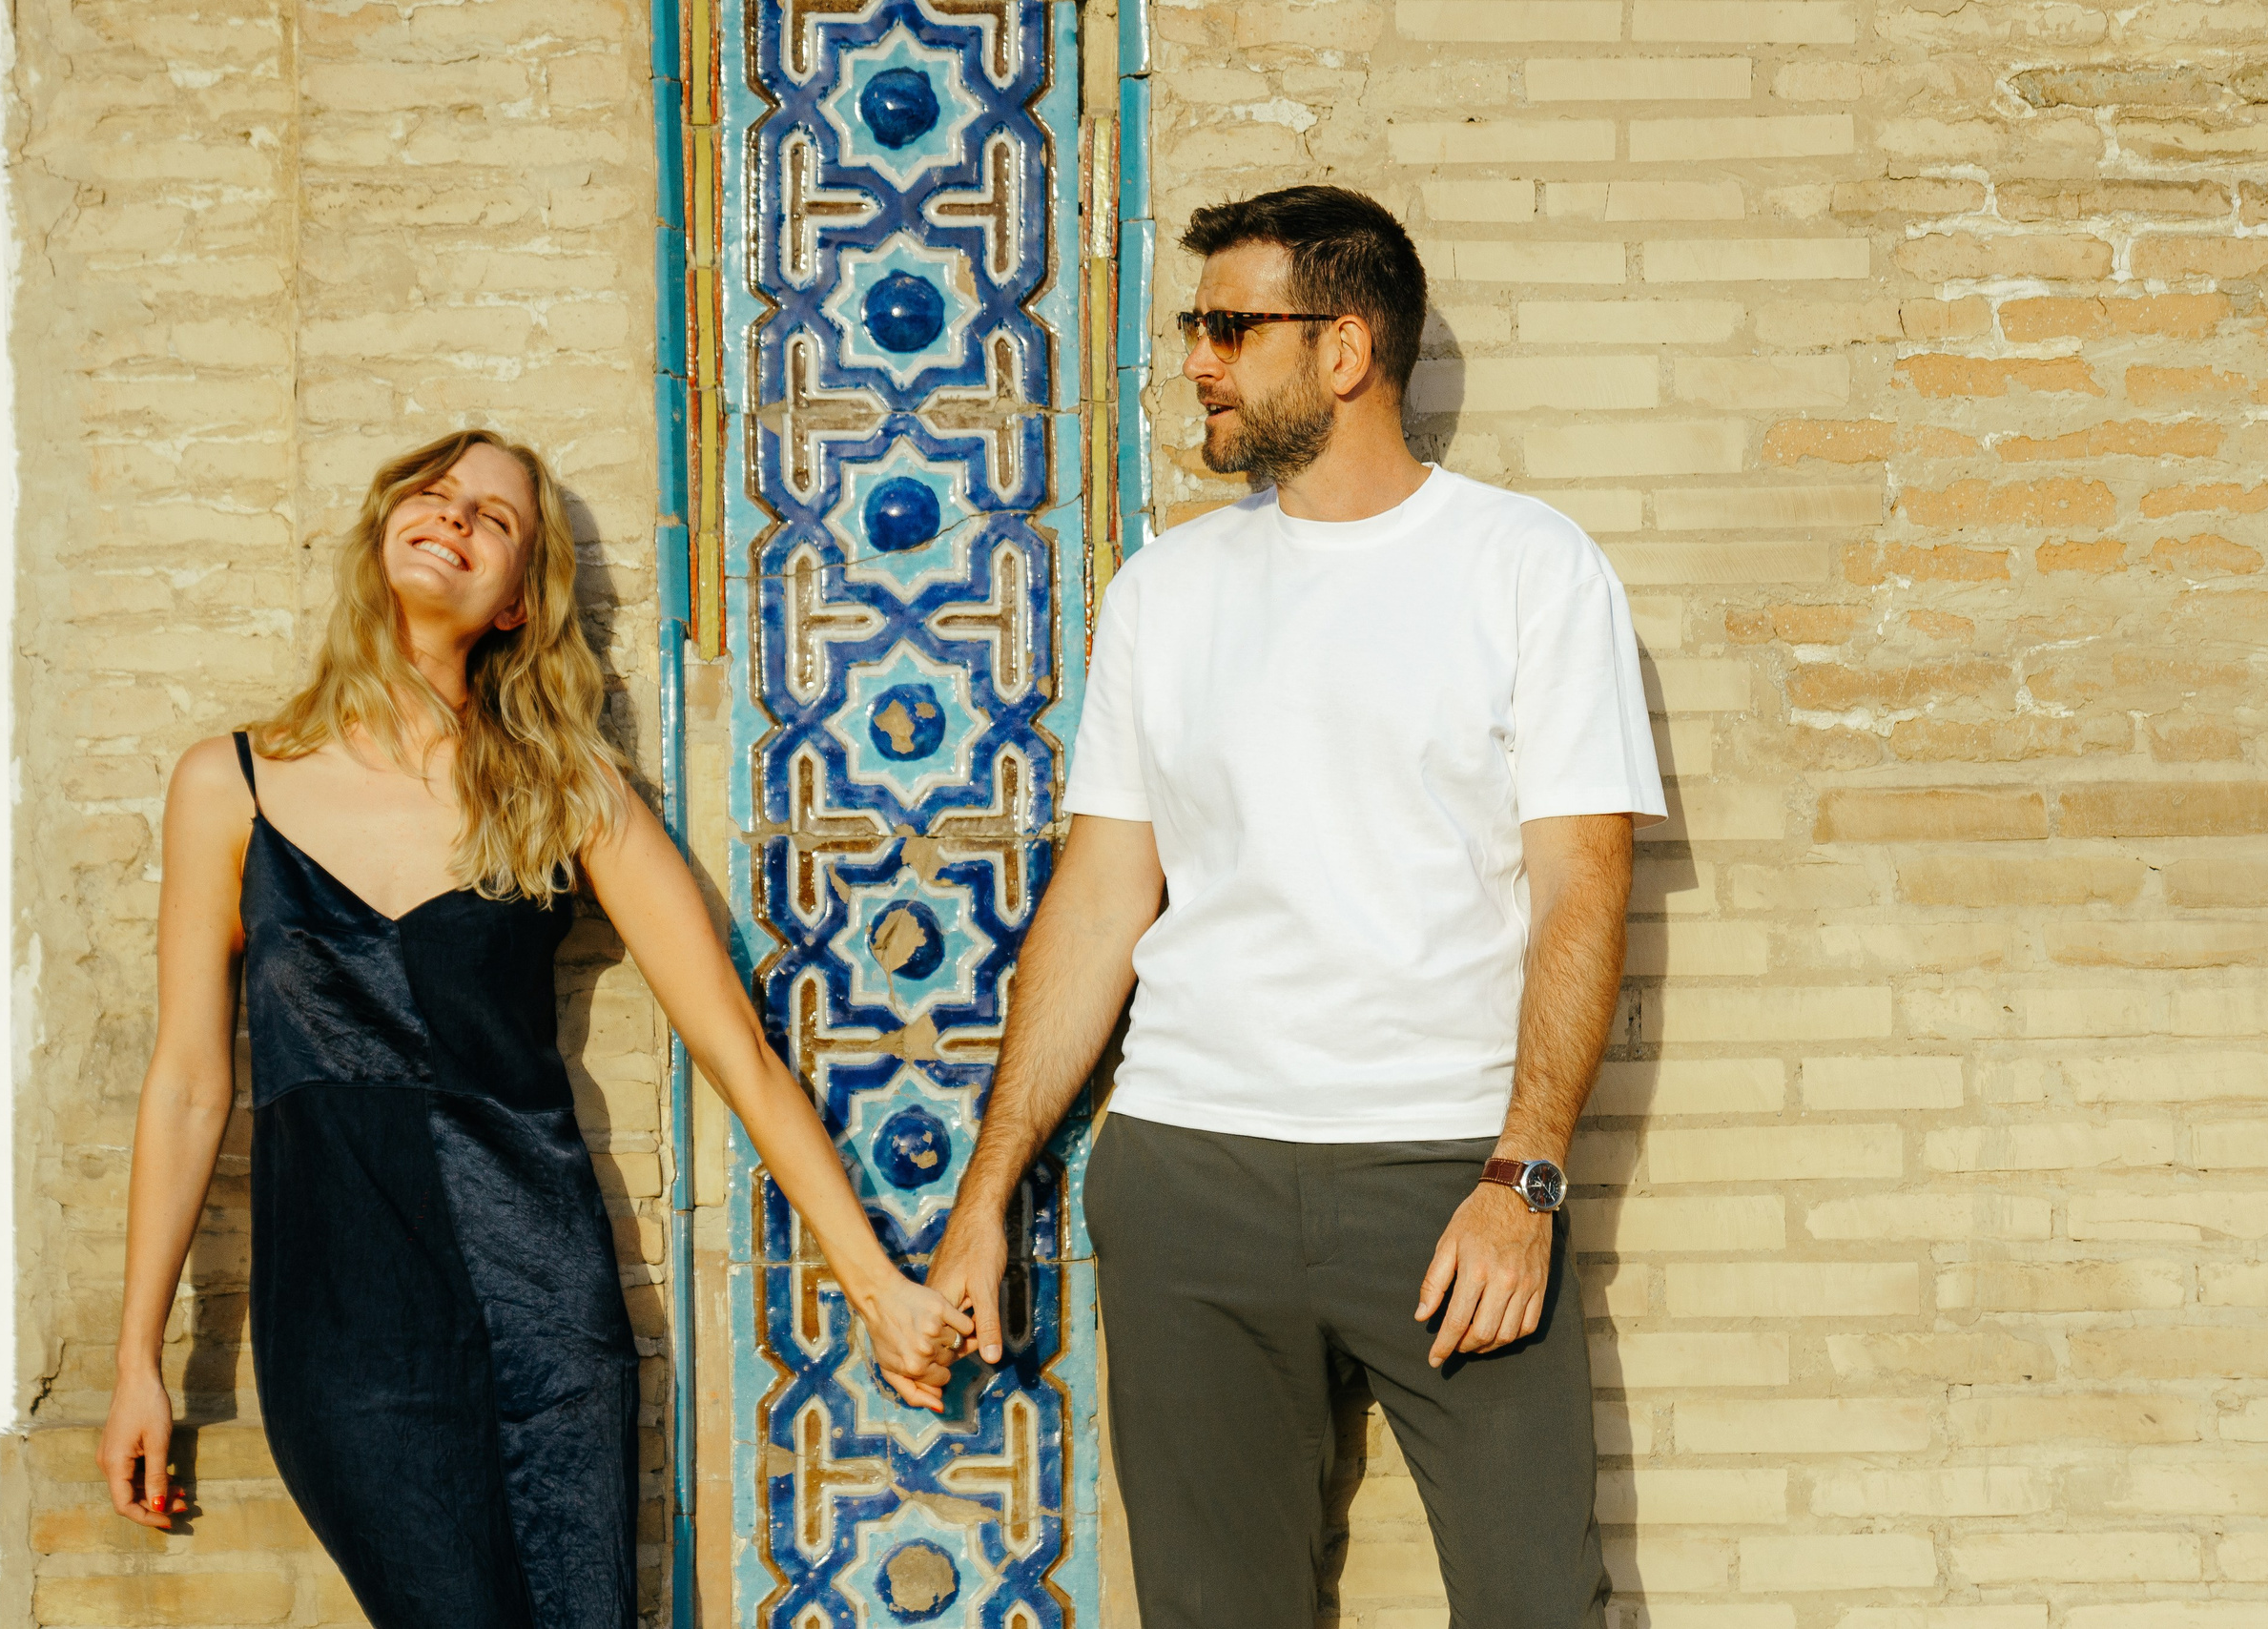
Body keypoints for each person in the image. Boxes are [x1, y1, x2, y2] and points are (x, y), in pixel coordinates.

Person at [924, 185, 1665, 1625]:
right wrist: (988, 1185)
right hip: (1190, 1175)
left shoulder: (1526, 567)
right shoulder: (1167, 590)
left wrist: (1525, 1180)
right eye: (1194, 325)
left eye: (1227, 325)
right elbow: (1098, 900)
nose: (1195, 358)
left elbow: (1587, 890)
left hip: (1445, 1174)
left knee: (1537, 1604)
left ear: (1345, 349)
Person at [97, 429, 970, 1629]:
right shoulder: (228, 783)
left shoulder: (568, 786)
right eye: (436, 494)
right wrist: (137, 1355)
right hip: (345, 1323)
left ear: (517, 605)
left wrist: (876, 1285)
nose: (455, 520)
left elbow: (736, 1046)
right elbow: (192, 1084)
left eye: (494, 521)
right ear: (382, 528)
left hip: (543, 1300)